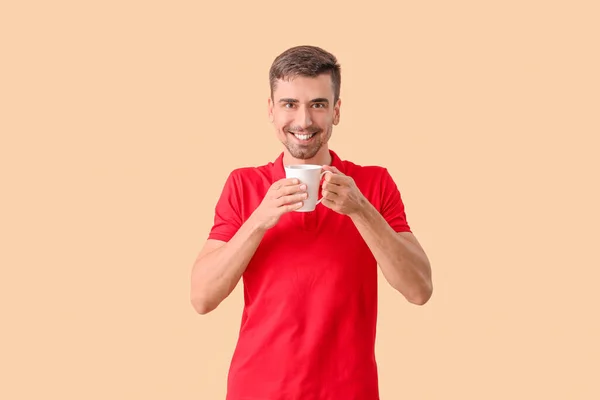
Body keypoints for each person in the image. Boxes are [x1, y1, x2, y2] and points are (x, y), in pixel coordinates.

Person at [190, 45, 433, 400]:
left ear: (336, 111)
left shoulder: (374, 184)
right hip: (257, 391)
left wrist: (361, 210)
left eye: (318, 104)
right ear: (271, 111)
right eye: (289, 104)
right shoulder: (243, 185)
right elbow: (202, 298)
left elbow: (419, 289)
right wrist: (260, 219)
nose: (303, 121)